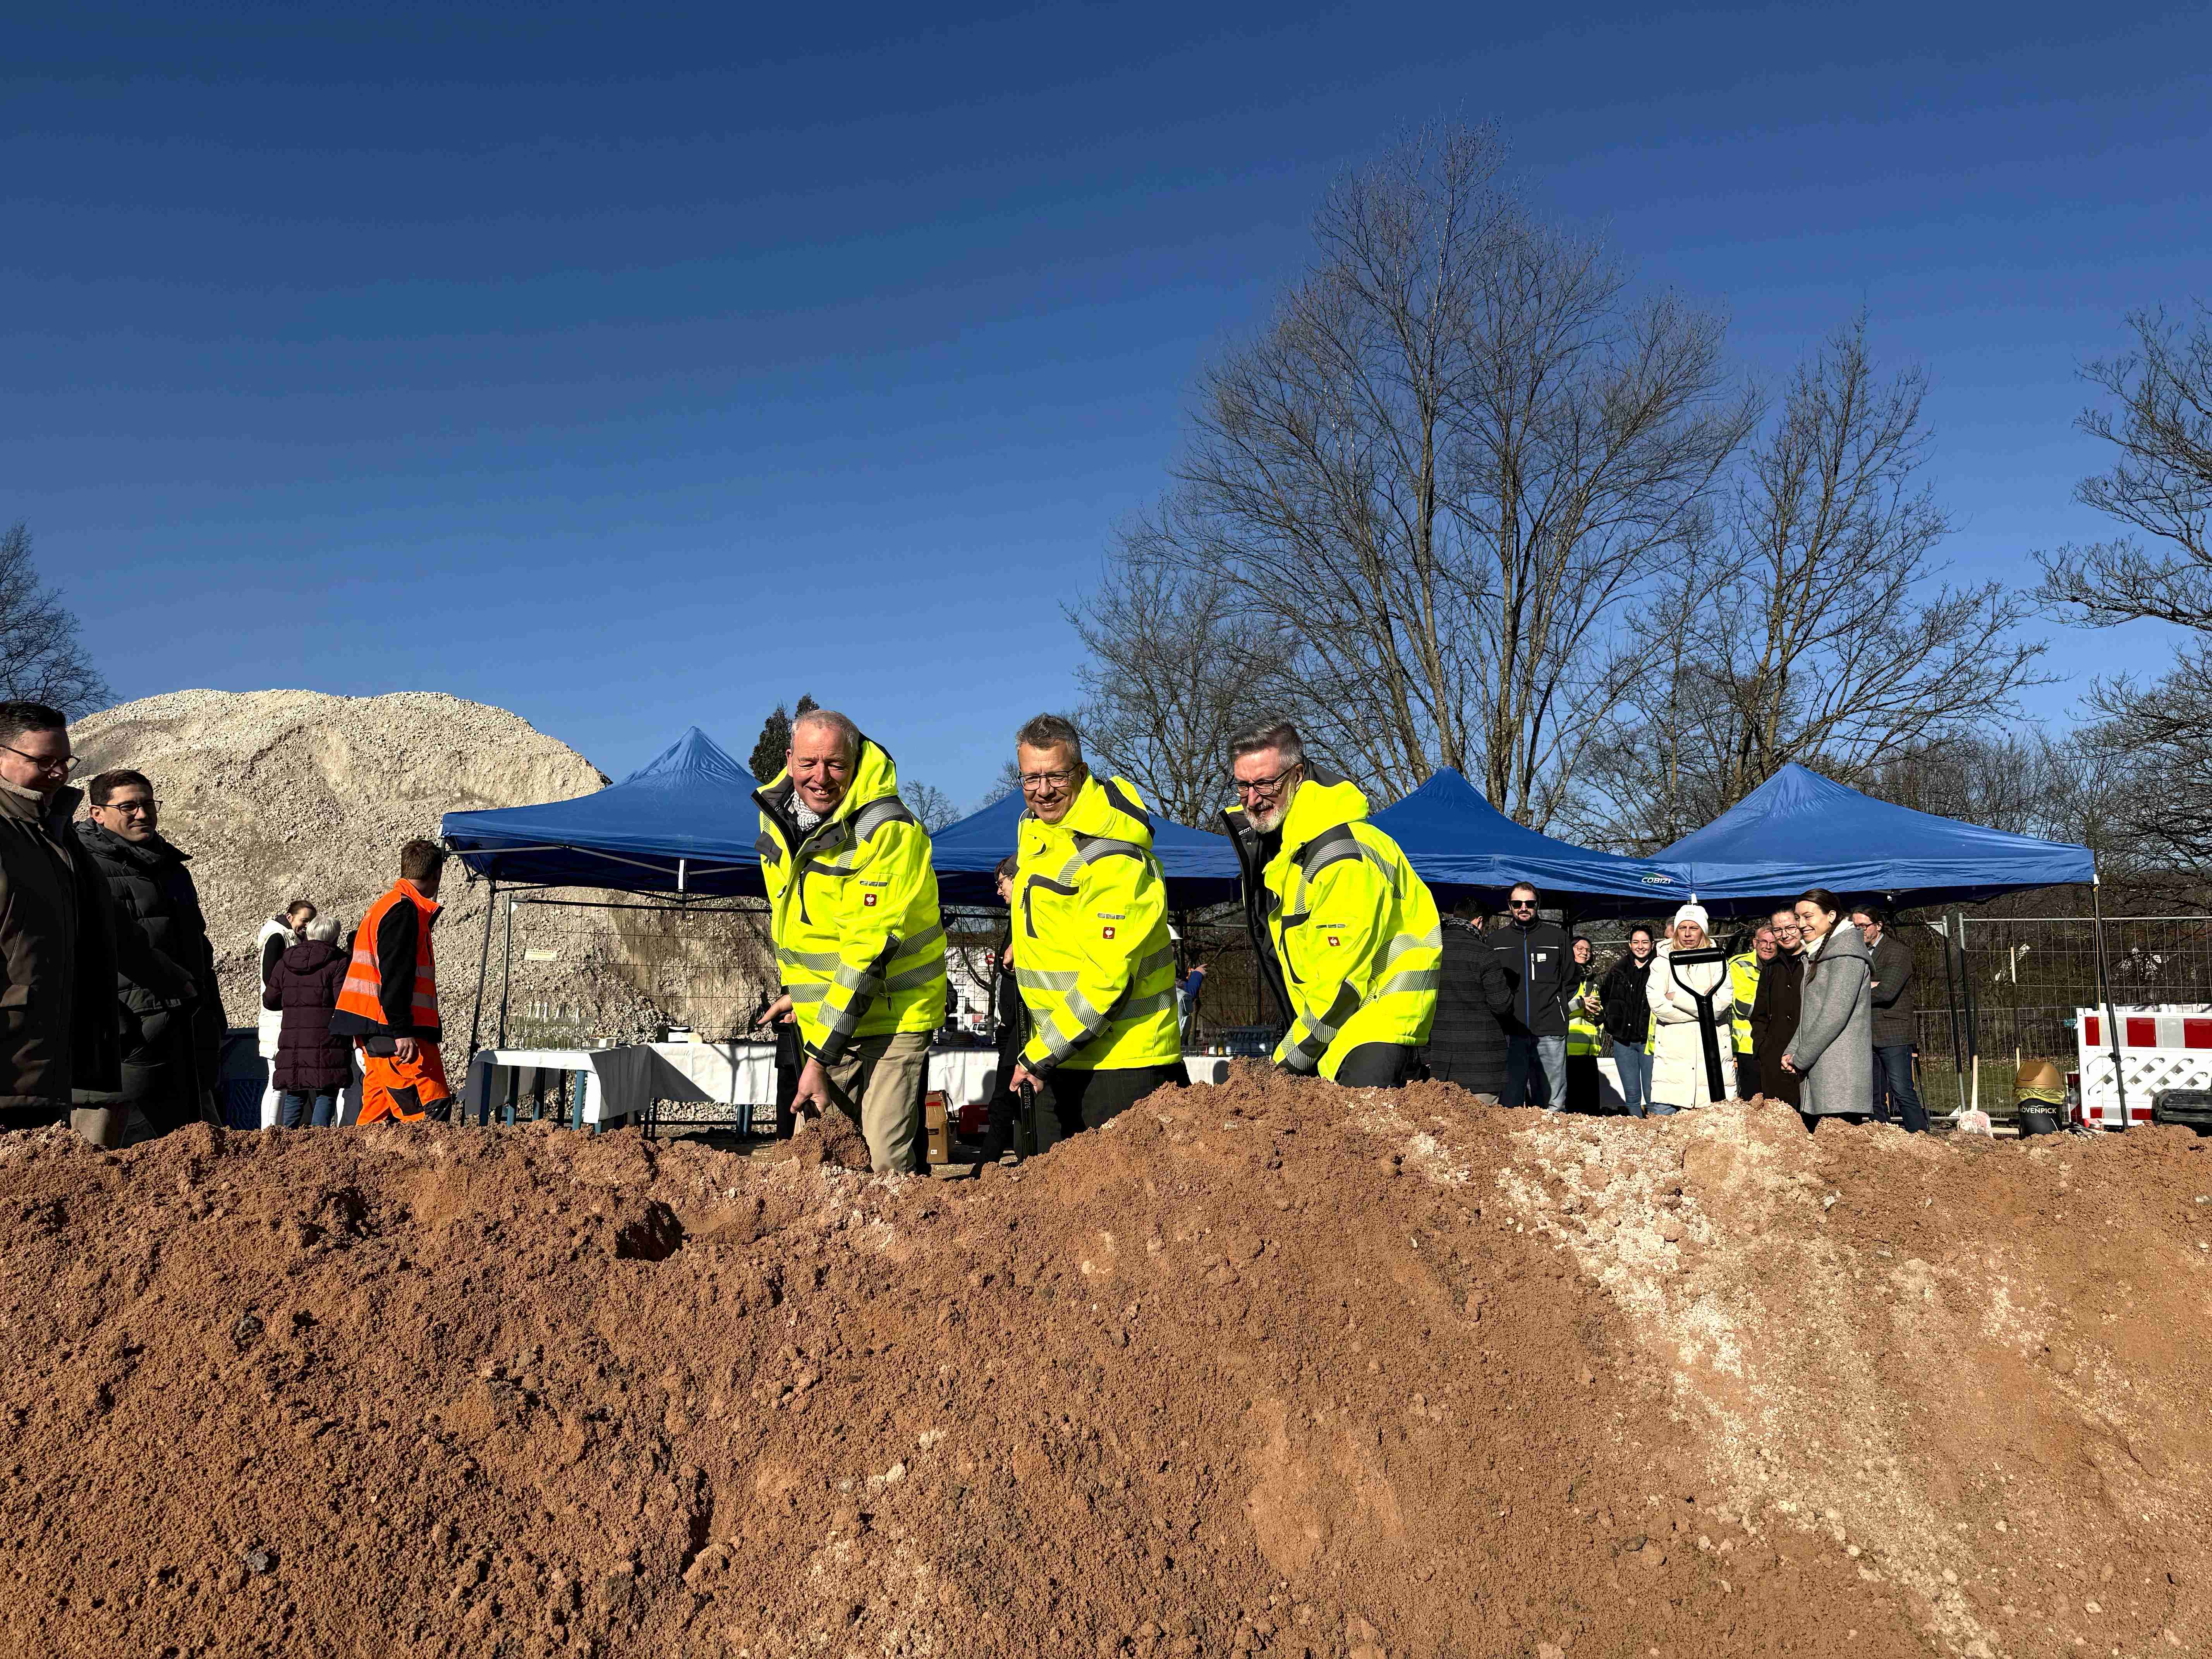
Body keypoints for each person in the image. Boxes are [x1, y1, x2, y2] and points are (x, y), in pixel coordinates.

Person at [756, 709, 946, 1174]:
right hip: (829, 1014)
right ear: (789, 760)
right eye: (808, 763)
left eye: (835, 764)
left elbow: (867, 950)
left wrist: (819, 1060)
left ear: (856, 762)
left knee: (884, 1162)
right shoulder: (777, 819)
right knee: (819, 1163)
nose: (821, 777)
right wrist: (799, 991)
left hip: (895, 1017)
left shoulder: (889, 831)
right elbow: (804, 925)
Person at [1221, 720, 1439, 1086]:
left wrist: (1283, 1068)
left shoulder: (1340, 856)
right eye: (1243, 785)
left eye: (1265, 783)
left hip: (1372, 1032)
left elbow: (1340, 988)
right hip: (1341, 1034)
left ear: (1298, 775)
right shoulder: (1292, 854)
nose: (1253, 799)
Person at [1003, 715, 1184, 1143]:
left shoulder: (1113, 855)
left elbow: (1108, 981)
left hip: (1124, 1063)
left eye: (1056, 776)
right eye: (1031, 778)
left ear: (1081, 773)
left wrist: (1040, 1055)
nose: (1043, 790)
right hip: (1062, 1056)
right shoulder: (1040, 836)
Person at [0, 702, 149, 1139]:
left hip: (48, 1062)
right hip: (10, 1063)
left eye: (65, 761)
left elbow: (102, 929)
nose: (59, 773)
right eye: (43, 761)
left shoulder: (57, 834)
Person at [77, 769, 225, 1137]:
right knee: (97, 1150)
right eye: (128, 807)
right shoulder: (81, 867)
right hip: (123, 1038)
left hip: (185, 1028)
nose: (142, 814)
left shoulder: (172, 868)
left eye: (148, 804)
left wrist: (210, 1010)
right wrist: (119, 1026)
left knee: (200, 1148)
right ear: (98, 813)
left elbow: (198, 946)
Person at [332, 838, 453, 1125]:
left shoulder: (387, 906)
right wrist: (402, 1031)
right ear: (437, 875)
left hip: (374, 1024)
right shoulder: (404, 911)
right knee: (429, 1110)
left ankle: (354, 1155)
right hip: (393, 1028)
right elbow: (396, 976)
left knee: (376, 1114)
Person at [1783, 888, 1873, 1132]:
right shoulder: (1821, 954)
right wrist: (1793, 1049)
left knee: (1839, 1151)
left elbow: (1834, 1015)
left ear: (1831, 916)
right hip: (1823, 1072)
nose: (1801, 924)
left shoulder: (1847, 957)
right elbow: (1812, 1014)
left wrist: (1801, 1058)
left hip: (1839, 1077)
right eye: (1798, 917)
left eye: (1808, 917)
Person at [1486, 883, 1570, 1111]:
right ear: (1510, 906)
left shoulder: (1557, 937)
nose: (1524, 908)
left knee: (1553, 1103)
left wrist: (1558, 1006)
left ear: (1538, 905)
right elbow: (1490, 985)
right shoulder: (1495, 941)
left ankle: (1553, 1134)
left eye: (1530, 903)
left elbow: (1570, 980)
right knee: (1510, 1102)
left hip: (1550, 1030)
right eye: (1518, 904)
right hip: (1511, 1032)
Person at [263, 917, 350, 1127]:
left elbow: (270, 1001)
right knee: (327, 1089)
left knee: (296, 1089)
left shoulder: (285, 960)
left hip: (293, 1037)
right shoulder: (340, 961)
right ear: (335, 938)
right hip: (328, 1037)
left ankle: (289, 1139)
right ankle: (319, 1140)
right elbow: (343, 1000)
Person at [1648, 903, 1735, 1113]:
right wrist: (1704, 1006)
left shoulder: (1718, 962)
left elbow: (1720, 1007)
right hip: (1672, 1066)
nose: (1687, 934)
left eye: (1694, 928)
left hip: (1711, 1061)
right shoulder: (1661, 964)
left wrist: (1677, 998)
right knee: (1665, 1129)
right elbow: (1659, 1006)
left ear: (1703, 931)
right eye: (1682, 928)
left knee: (1715, 1127)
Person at [979, 853, 1036, 1162]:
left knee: (1005, 1100)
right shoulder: (1017, 917)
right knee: (1010, 1101)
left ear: (1017, 879)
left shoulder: (1030, 916)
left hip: (1027, 1026)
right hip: (1014, 1026)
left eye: (1002, 882)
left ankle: (984, 1169)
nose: (998, 890)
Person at [1427, 899, 1514, 1097]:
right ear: (1479, 921)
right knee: (1483, 1116)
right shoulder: (1484, 954)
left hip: (1440, 1057)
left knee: (1444, 1115)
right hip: (1481, 1062)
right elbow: (1501, 1005)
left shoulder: (1432, 951)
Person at [1851, 905, 1925, 1133]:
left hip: (1893, 1032)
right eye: (1855, 927)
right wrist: (1870, 985)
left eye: (1864, 926)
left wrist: (1855, 989)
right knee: (1873, 1095)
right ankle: (1883, 1139)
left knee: (1902, 1091)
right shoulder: (1855, 953)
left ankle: (1921, 1138)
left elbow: (1887, 992)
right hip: (1865, 1033)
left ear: (1879, 926)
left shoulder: (1897, 952)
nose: (1860, 931)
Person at [257, 899, 316, 1125]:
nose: (307, 926)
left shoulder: (291, 937)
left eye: (311, 922)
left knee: (283, 1082)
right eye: (304, 920)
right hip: (277, 1019)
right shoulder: (277, 938)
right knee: (277, 1082)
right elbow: (270, 980)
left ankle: (275, 1132)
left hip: (284, 1018)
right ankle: (269, 1133)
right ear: (290, 917)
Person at [1598, 926, 1659, 1117]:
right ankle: (1636, 1127)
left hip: (1650, 1041)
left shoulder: (1660, 968)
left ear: (1652, 945)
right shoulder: (1617, 970)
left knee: (1652, 1093)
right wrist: (1612, 1022)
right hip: (1623, 1040)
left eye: (1645, 942)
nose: (1640, 947)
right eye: (1636, 942)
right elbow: (1605, 997)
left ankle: (1656, 1128)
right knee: (1632, 1094)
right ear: (1630, 945)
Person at [1748, 907, 1805, 1107]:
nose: (1785, 935)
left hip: (1808, 1055)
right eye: (1778, 930)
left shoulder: (1815, 963)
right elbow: (1760, 1014)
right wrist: (1762, 1048)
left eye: (1790, 928)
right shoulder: (1771, 968)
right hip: (1774, 1057)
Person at [1563, 935, 1604, 1113]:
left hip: (1590, 1051)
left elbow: (1600, 1013)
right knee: (1573, 1106)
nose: (1584, 953)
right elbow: (1555, 1011)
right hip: (1568, 1050)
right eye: (1579, 948)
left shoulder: (1592, 981)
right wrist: (1580, 1004)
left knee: (1591, 1107)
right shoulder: (1563, 978)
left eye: (1588, 950)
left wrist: (1599, 1013)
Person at [1726, 927, 1765, 1099]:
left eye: (1773, 943)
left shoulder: (1784, 963)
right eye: (1763, 942)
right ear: (1755, 943)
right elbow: (1742, 1006)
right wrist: (1774, 1010)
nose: (1768, 947)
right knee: (1751, 1099)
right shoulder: (1738, 965)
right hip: (1746, 1046)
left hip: (1775, 1045)